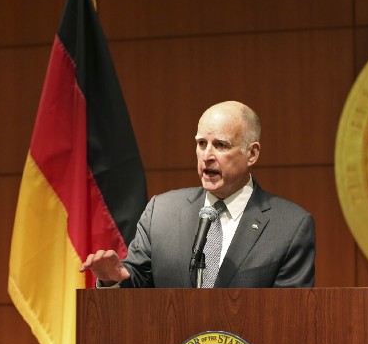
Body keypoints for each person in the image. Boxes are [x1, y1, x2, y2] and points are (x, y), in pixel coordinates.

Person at [79, 100, 316, 288]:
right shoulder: (161, 212)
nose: (207, 155)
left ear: (252, 154)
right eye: (202, 143)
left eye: (221, 145)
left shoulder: (290, 226)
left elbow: (290, 315)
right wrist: (113, 278)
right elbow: (138, 287)